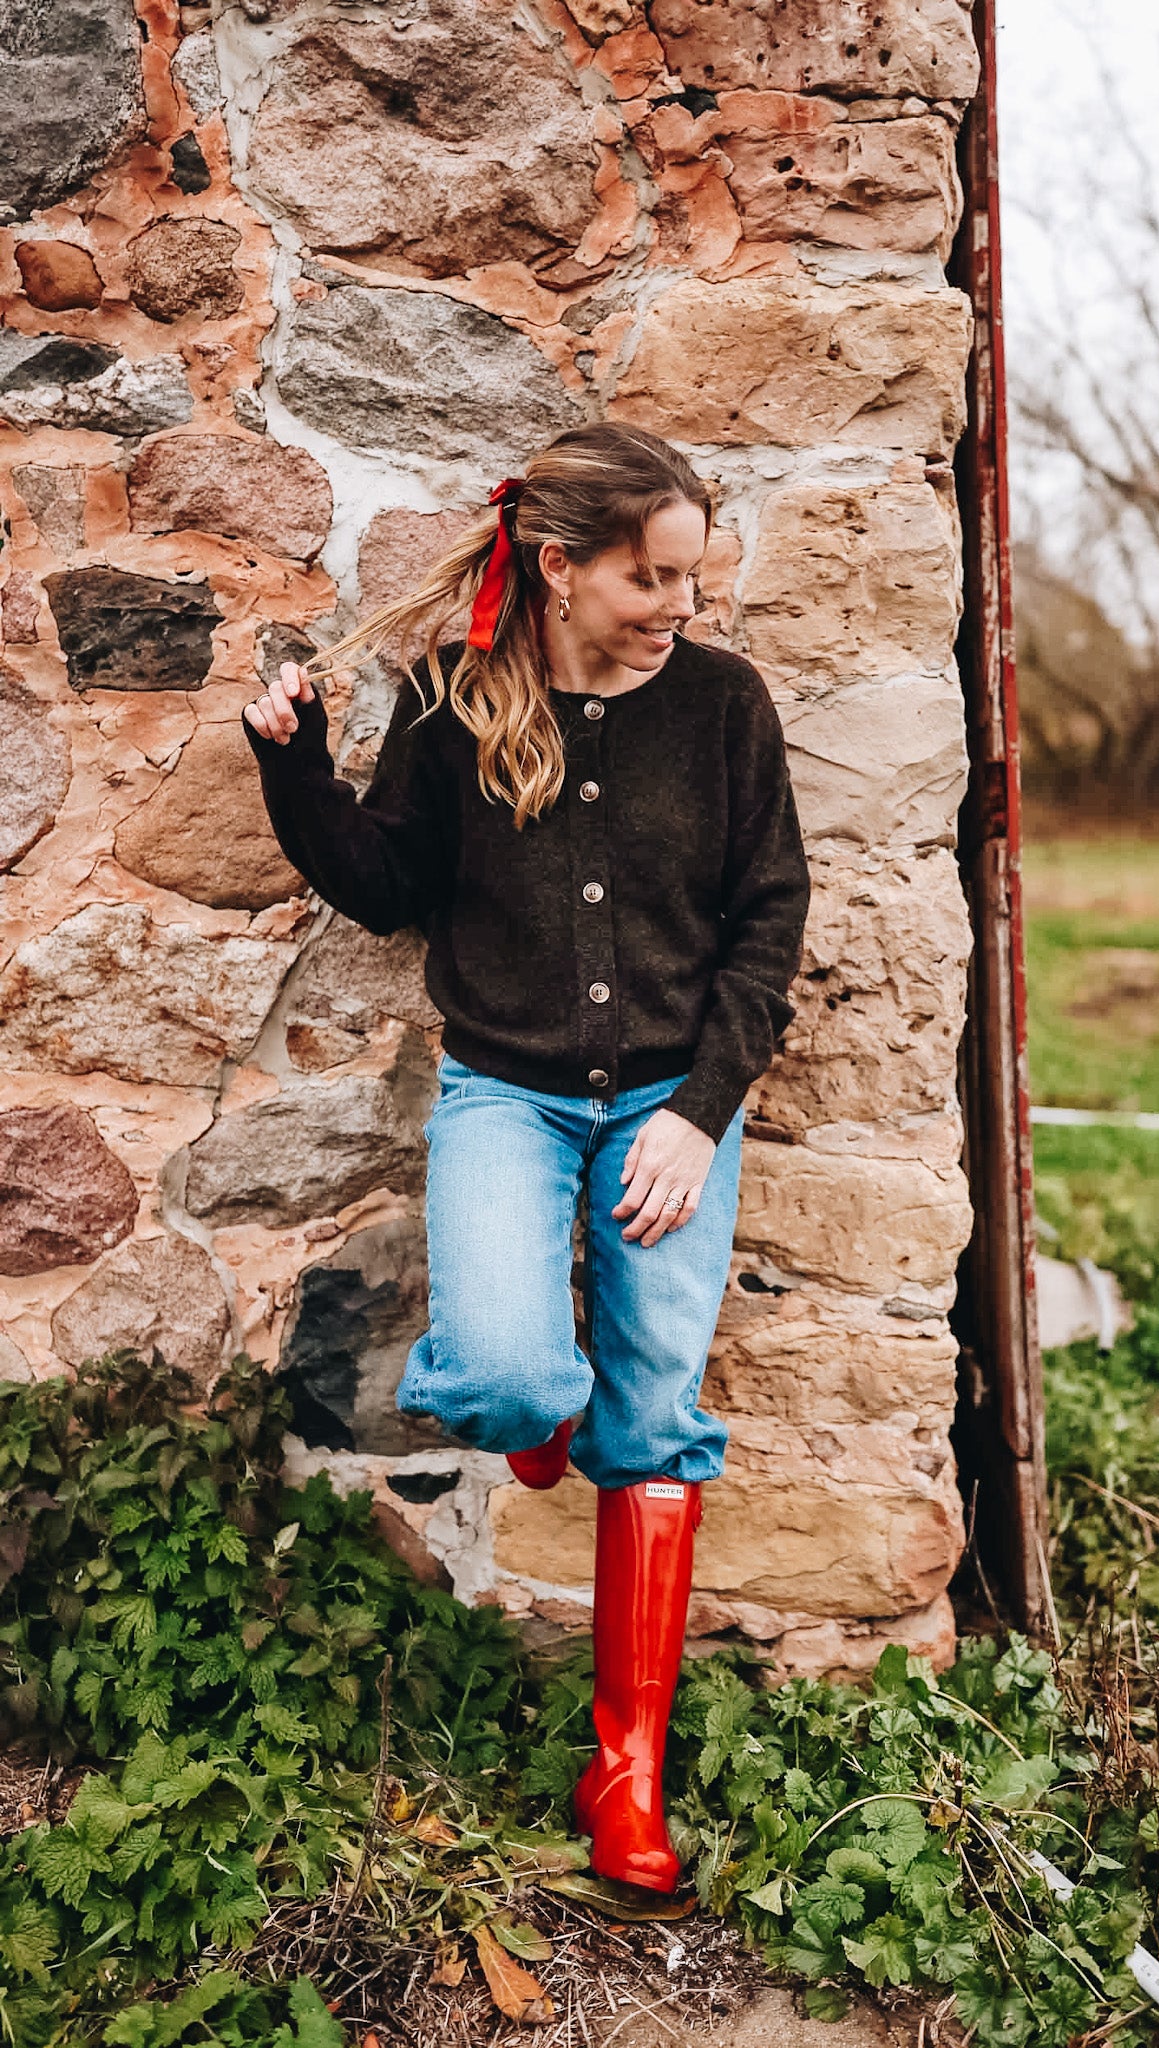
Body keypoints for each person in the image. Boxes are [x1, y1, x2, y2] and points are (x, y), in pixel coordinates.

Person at [243, 422, 811, 1894]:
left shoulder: (725, 704)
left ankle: (624, 1772)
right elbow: (383, 888)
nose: (680, 606)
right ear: (559, 564)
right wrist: (294, 771)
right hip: (506, 1091)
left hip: (673, 1105)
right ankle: (536, 1402)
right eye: (652, 577)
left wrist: (699, 1113)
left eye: (690, 576)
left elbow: (768, 916)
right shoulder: (454, 699)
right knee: (508, 1376)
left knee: (657, 1417)